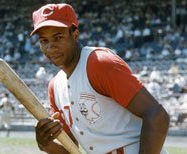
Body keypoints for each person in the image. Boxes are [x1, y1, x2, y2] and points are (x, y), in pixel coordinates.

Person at [31, 3, 169, 154]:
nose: (51, 47)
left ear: (75, 35)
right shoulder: (55, 86)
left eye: (58, 37)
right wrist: (46, 145)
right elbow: (71, 150)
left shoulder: (99, 63)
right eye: (44, 40)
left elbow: (157, 115)